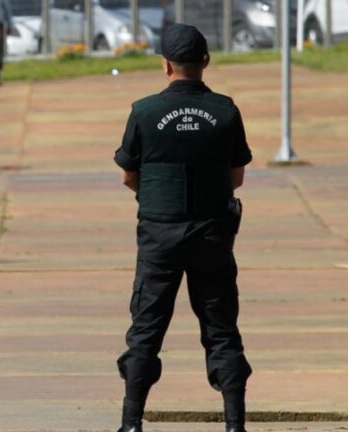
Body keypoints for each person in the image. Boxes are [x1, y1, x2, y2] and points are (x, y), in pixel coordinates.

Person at [112, 24, 253, 432]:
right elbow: (237, 176)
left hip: (159, 233)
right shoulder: (226, 110)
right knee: (221, 327)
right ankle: (234, 424)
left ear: (165, 65)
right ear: (205, 62)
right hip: (211, 233)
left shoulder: (143, 111)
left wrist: (156, 198)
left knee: (147, 327)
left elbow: (127, 174)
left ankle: (131, 422)